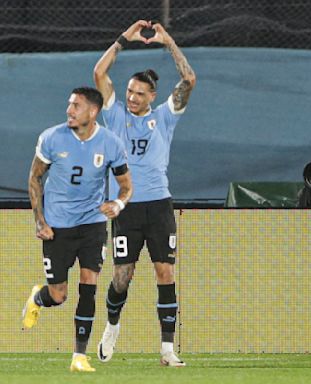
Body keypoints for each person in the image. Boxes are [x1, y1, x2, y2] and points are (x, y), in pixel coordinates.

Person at [93, 20, 196, 367]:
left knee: (165, 272)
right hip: (126, 207)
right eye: (130, 92)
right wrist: (123, 39)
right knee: (122, 278)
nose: (132, 98)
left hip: (159, 205)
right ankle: (111, 326)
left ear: (152, 96)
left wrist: (168, 42)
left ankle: (167, 350)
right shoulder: (116, 116)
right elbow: (99, 72)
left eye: (140, 94)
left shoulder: (165, 117)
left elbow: (189, 81)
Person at [23, 87, 132, 372]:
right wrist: (40, 220)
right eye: (69, 105)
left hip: (92, 224)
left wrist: (118, 204)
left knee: (89, 285)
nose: (69, 110)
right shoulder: (51, 138)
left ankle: (79, 356)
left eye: (76, 106)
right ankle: (38, 297)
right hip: (57, 227)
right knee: (58, 295)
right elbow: (34, 178)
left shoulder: (110, 143)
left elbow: (126, 186)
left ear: (93, 112)